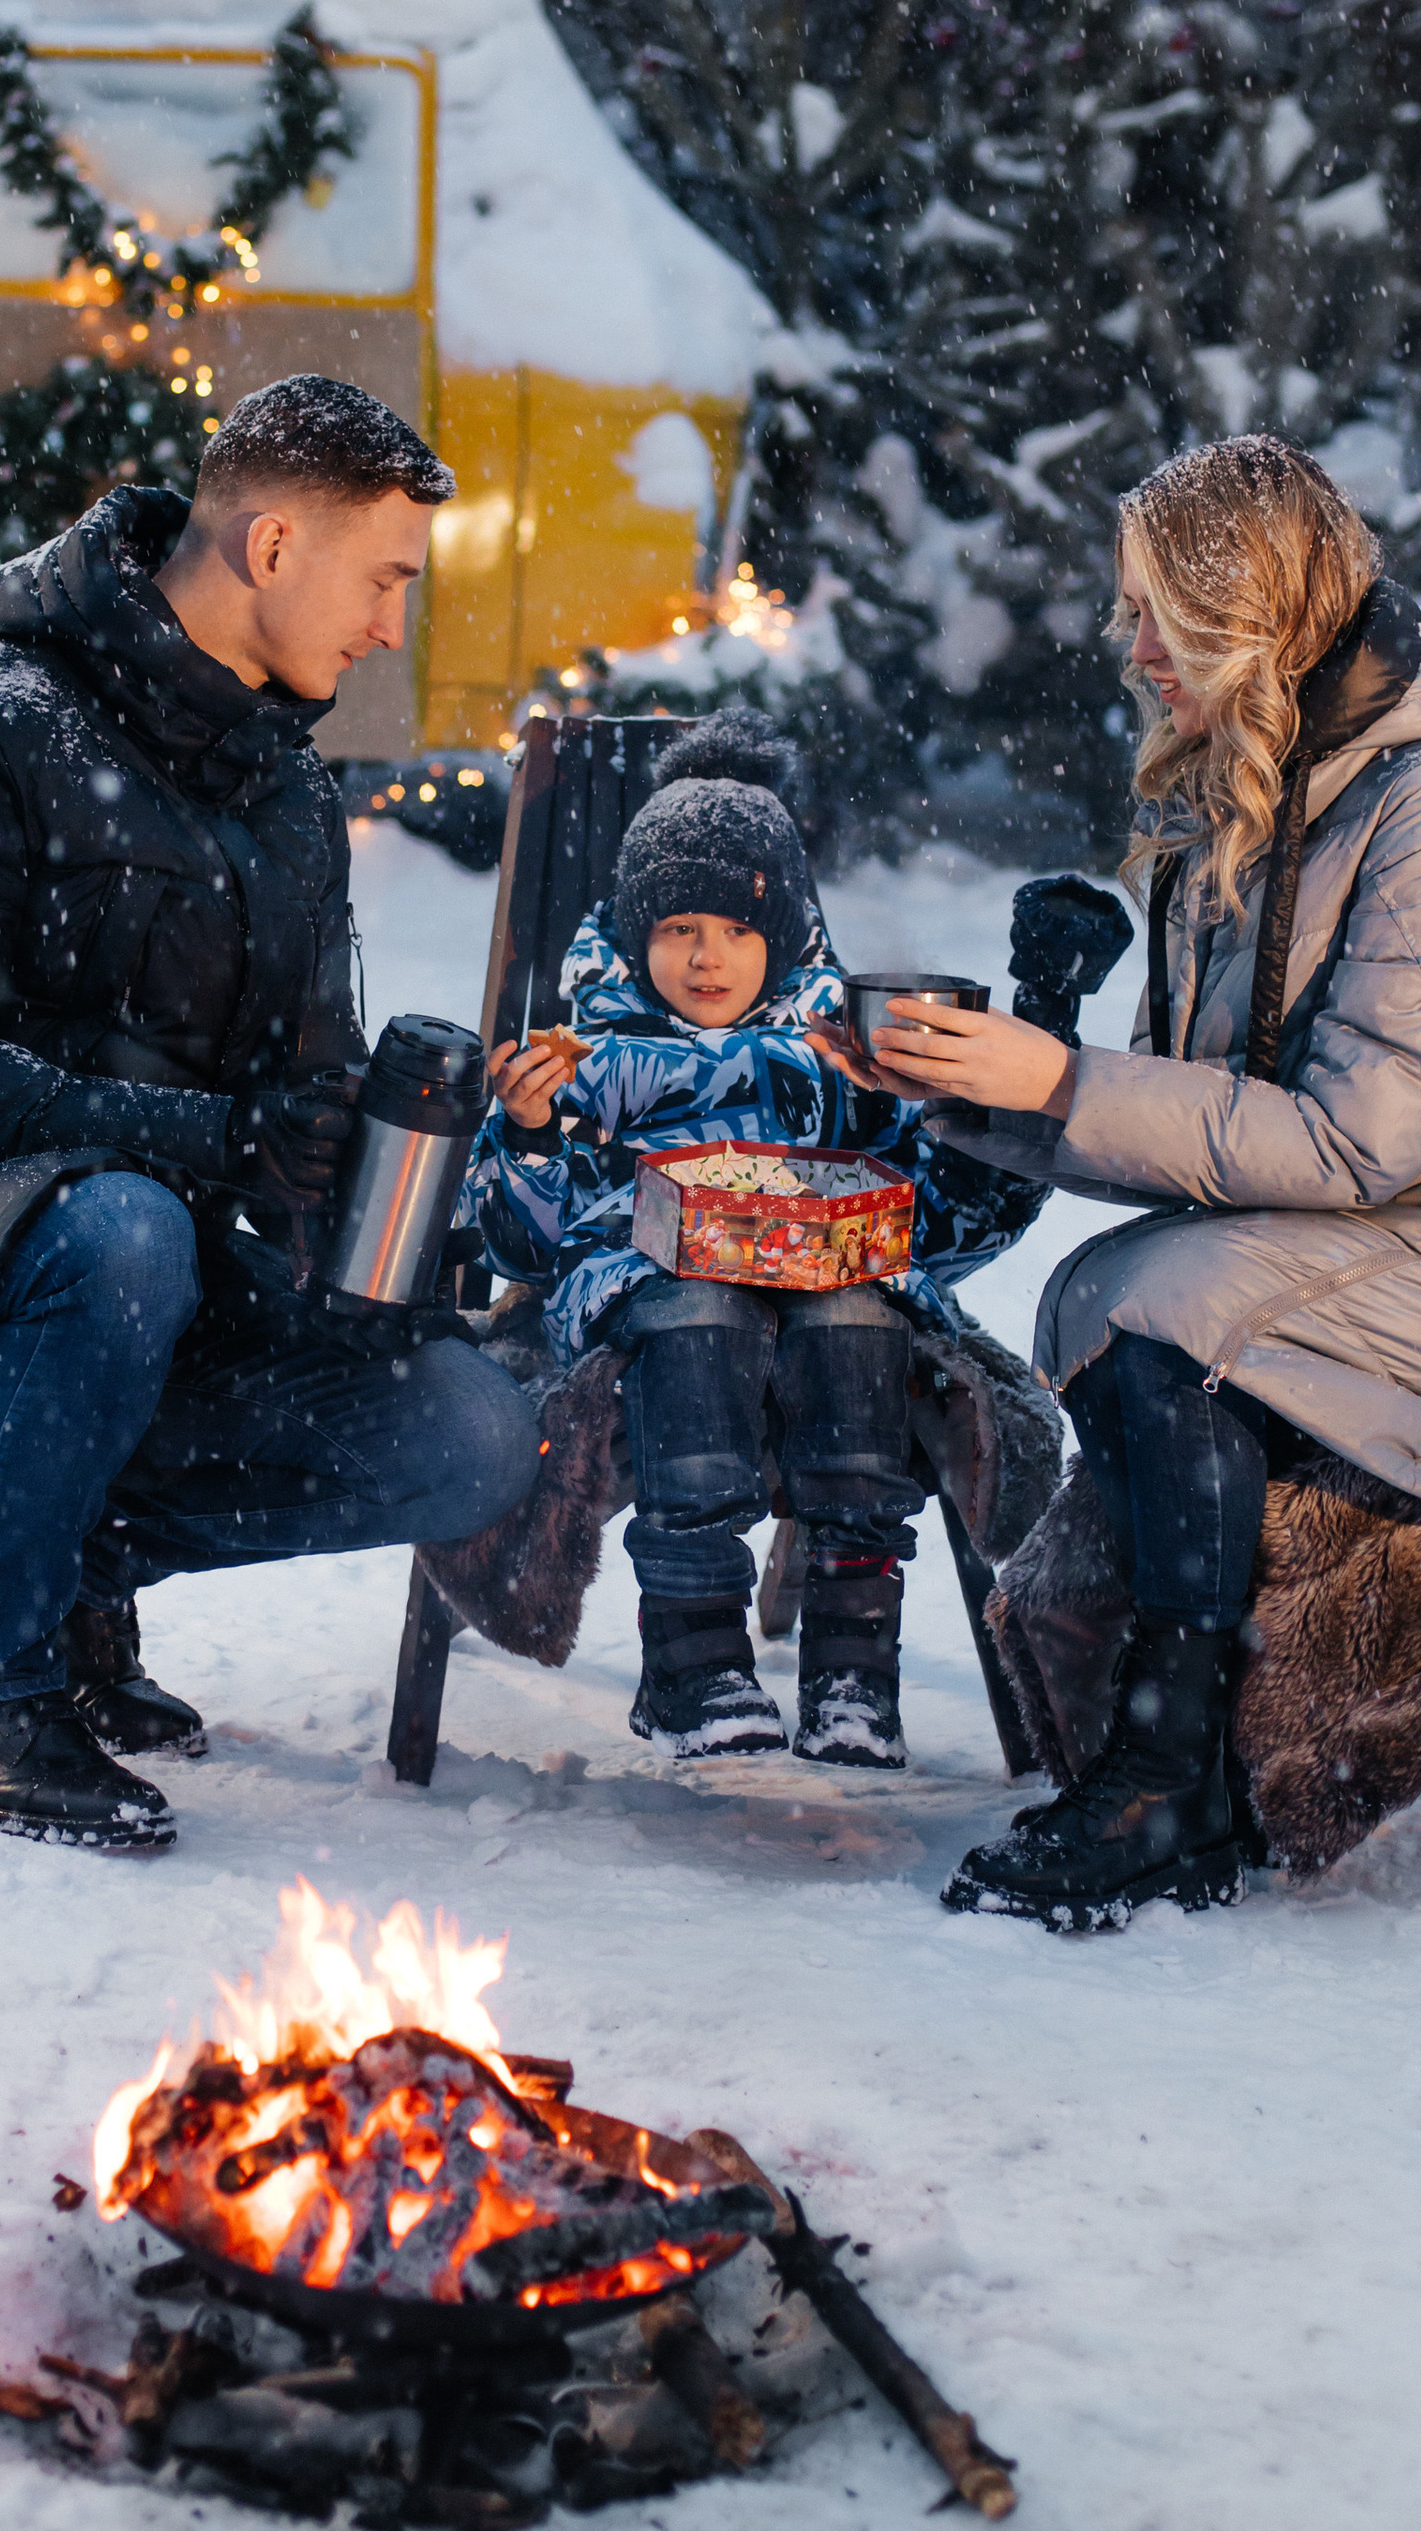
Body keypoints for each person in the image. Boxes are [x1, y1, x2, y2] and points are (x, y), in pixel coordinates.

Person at [857, 434, 1421, 1930]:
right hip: (1413, 1247)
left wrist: (1055, 1089)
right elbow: (1209, 1120)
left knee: (1158, 1299)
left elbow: (1355, 1137)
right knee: (1120, 1289)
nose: (1125, 644)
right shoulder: (1248, 796)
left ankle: (1165, 1780)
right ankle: (1169, 1767)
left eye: (1152, 611)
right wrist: (972, 1096)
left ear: (1250, 607)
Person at [0, 375, 540, 1854]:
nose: (389, 627)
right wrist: (201, 1144)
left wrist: (428, 1177)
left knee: (471, 1431)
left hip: (136, 1258)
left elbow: (295, 1100)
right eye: (384, 580)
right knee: (118, 1229)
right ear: (275, 547)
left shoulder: (286, 791)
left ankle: (66, 1571)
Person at [466, 711, 1129, 1765]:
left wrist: (1039, 1014)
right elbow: (519, 1247)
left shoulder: (839, 1056)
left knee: (858, 1309)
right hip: (660, 1308)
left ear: (788, 934)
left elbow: (946, 1224)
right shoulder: (589, 1055)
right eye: (678, 928)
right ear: (636, 933)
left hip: (830, 1311)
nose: (708, 956)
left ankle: (853, 1668)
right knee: (699, 1305)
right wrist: (534, 1130)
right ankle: (693, 1660)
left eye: (737, 930)